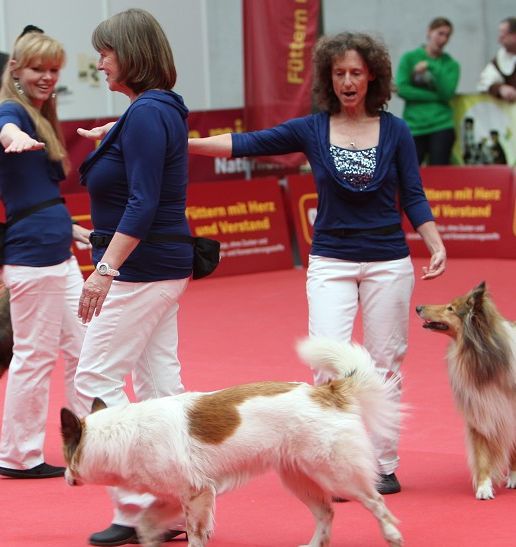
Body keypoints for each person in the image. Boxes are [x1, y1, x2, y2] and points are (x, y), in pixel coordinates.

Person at [189, 31, 448, 496]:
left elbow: (412, 193)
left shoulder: (397, 131)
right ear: (329, 79)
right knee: (329, 365)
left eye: (356, 73)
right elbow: (246, 143)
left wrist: (435, 242)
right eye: (340, 73)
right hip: (331, 259)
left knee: (385, 365)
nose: (348, 81)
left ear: (372, 76)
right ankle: (332, 465)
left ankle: (383, 466)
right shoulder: (311, 128)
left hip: (389, 260)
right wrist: (182, 142)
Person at [73, 9, 192, 547]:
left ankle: (142, 503)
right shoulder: (154, 111)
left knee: (94, 381)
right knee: (160, 388)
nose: (98, 62)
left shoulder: (147, 114)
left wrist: (103, 271)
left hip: (141, 269)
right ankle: (181, 501)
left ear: (130, 54)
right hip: (161, 265)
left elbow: (142, 202)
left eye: (105, 52)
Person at [0, 27, 89, 479]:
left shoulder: (40, 113)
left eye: (53, 70)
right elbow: (2, 126)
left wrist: (71, 228)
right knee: (34, 355)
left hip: (58, 251)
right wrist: (14, 138)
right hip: (33, 257)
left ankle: (92, 443)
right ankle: (19, 455)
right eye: (37, 69)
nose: (47, 77)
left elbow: (38, 194)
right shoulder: (12, 112)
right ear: (15, 70)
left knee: (86, 348)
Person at [395, 17, 460, 166]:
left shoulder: (451, 64)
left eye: (447, 36)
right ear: (429, 32)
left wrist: (431, 66)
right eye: (440, 33)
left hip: (441, 125)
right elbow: (402, 89)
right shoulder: (410, 58)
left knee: (440, 175)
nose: (443, 39)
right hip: (414, 125)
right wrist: (434, 97)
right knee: (408, 174)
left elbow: (447, 93)